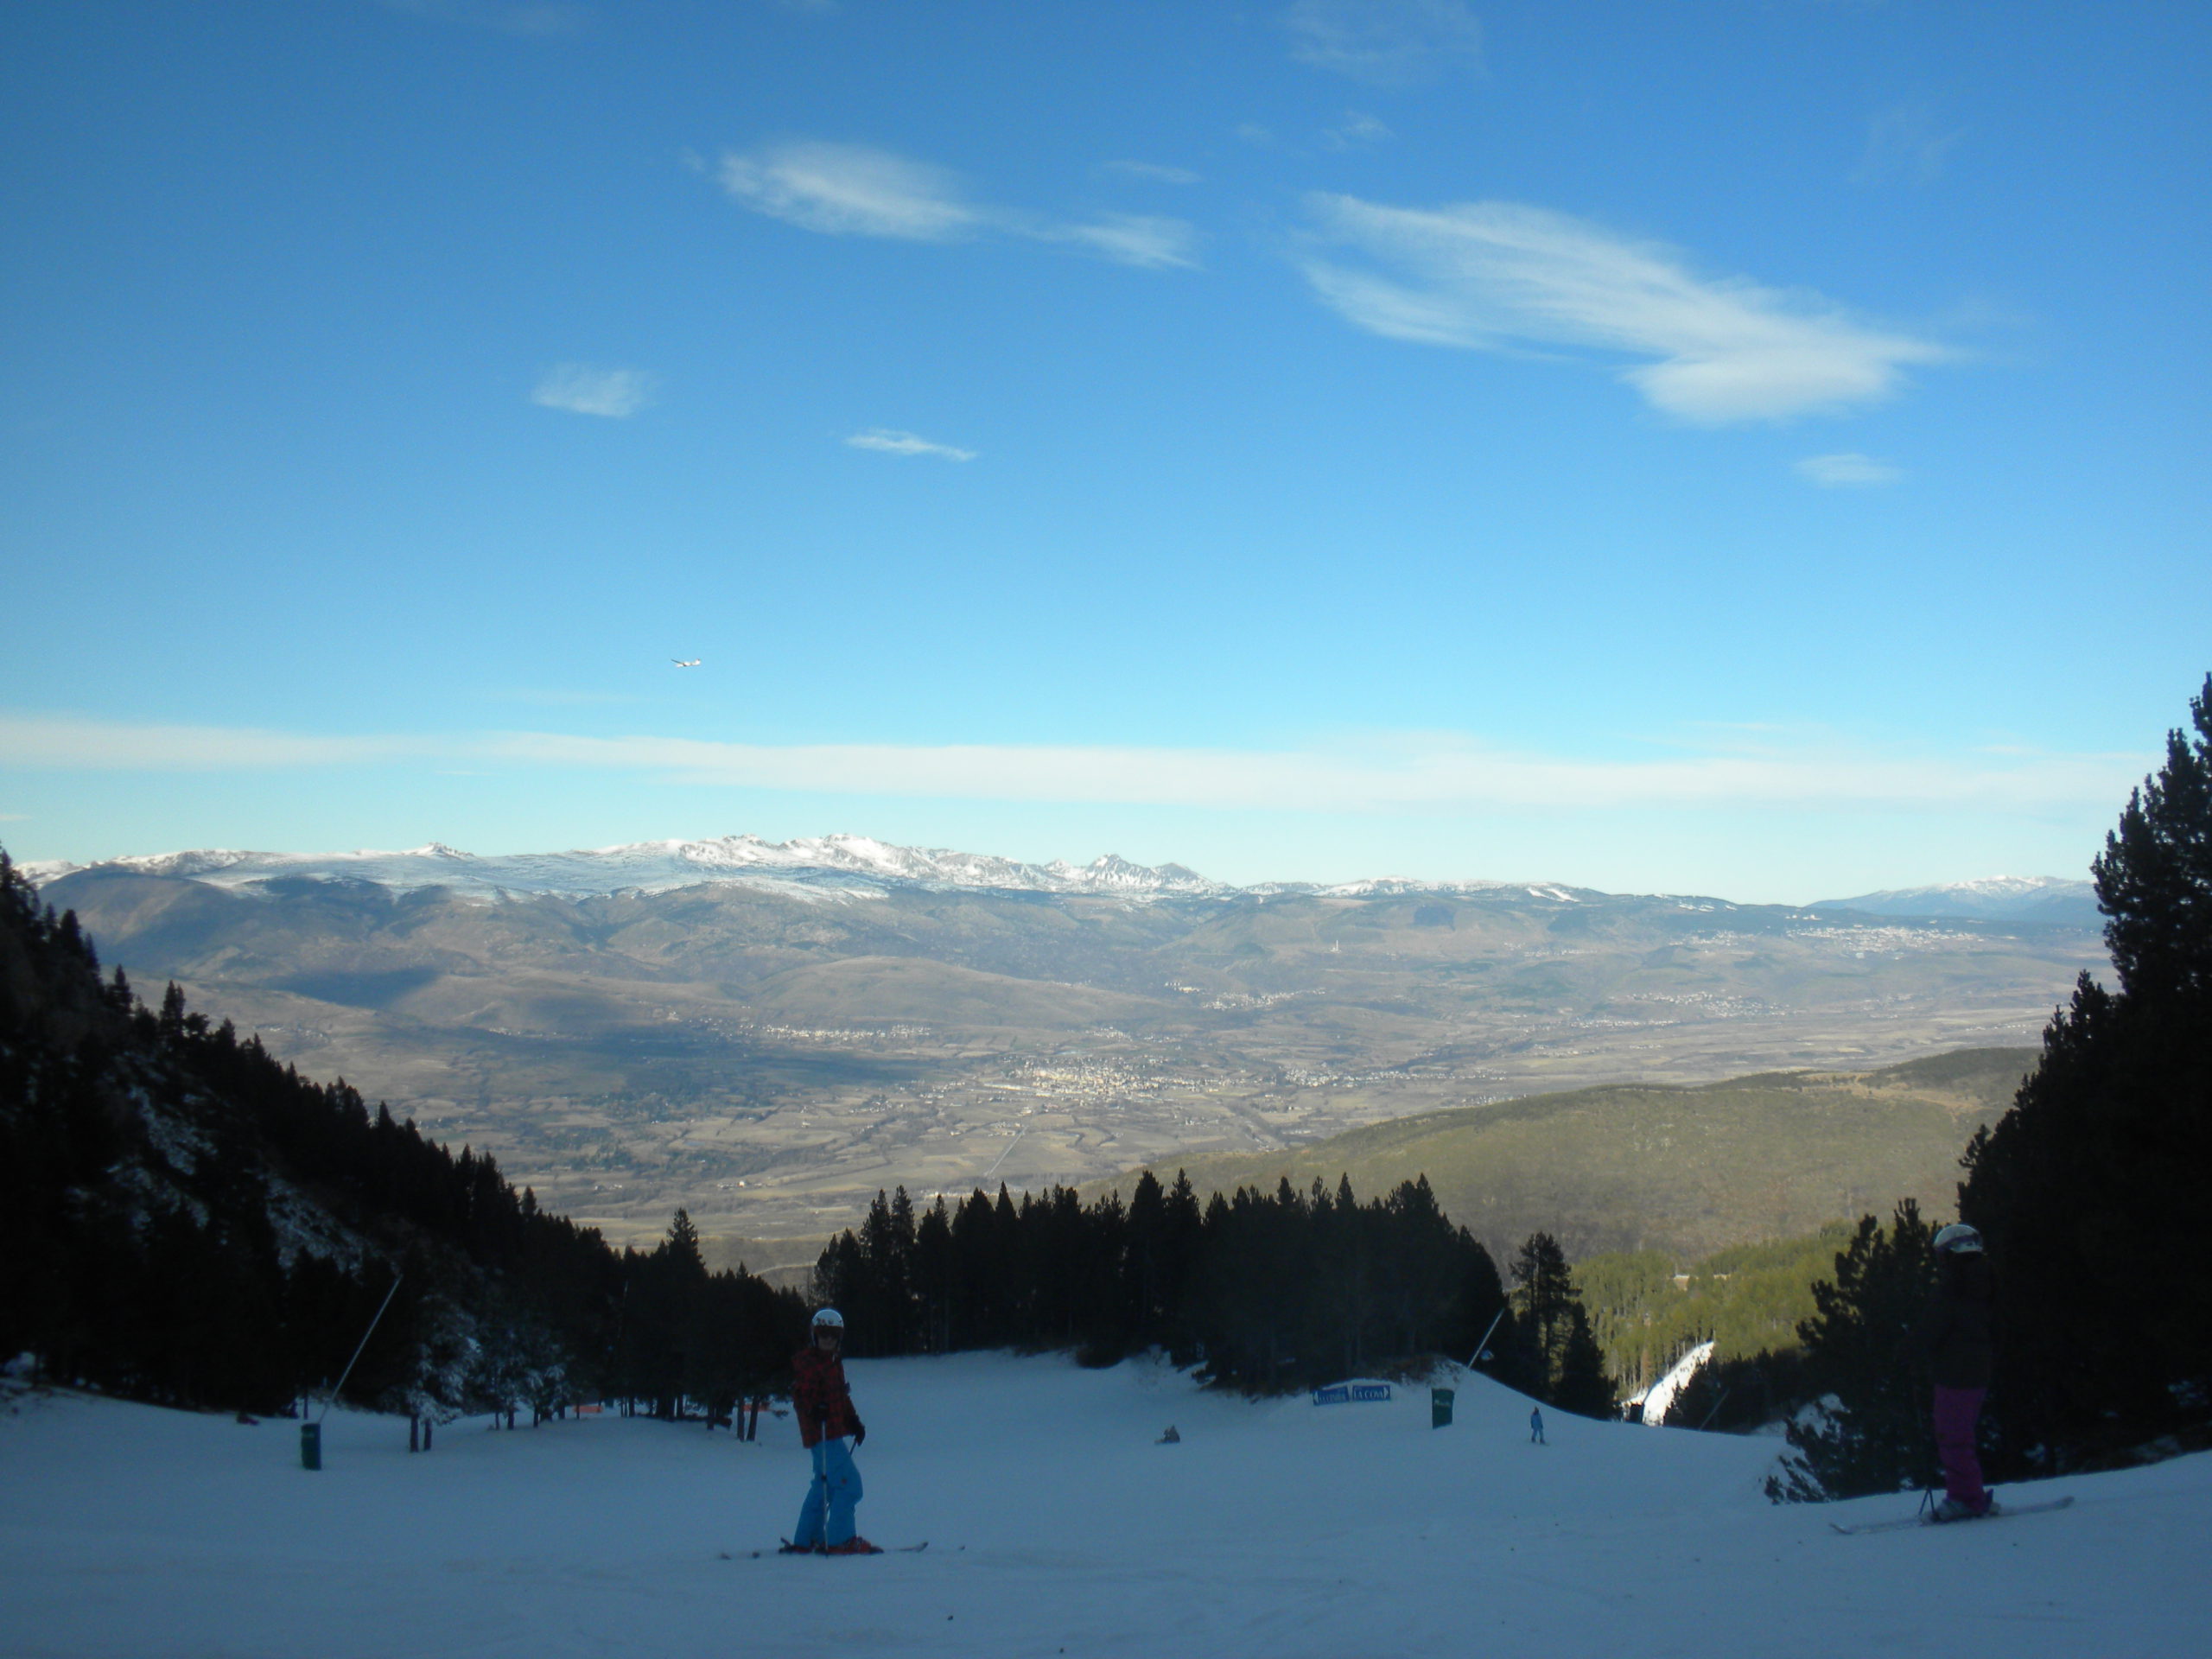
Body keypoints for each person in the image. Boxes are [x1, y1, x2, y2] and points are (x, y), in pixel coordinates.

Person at [1919, 1222, 1996, 1522]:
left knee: (1952, 1436)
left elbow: (1933, 1327)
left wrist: (1908, 1351)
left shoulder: (1954, 1287)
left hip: (1955, 1373)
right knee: (1959, 1435)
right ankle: (1969, 1495)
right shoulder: (1987, 1282)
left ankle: (1966, 1499)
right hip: (1977, 1369)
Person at [785, 1308, 877, 1554]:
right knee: (850, 1486)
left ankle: (807, 1539)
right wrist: (814, 1408)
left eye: (833, 1335)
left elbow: (840, 1398)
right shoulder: (809, 1363)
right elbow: (801, 1394)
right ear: (814, 1336)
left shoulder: (833, 1363)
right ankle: (840, 1540)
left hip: (830, 1433)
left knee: (823, 1486)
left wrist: (854, 1422)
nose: (828, 1339)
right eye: (823, 1334)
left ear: (839, 1338)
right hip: (822, 1435)